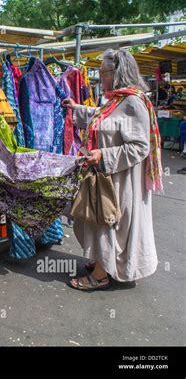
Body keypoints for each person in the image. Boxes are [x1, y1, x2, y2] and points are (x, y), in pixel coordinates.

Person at [62, 48, 162, 291]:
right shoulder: (118, 101)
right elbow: (102, 117)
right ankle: (104, 263)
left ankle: (100, 275)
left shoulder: (133, 102)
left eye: (103, 72)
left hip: (120, 178)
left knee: (108, 222)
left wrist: (102, 155)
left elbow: (139, 147)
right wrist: (76, 108)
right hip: (109, 174)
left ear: (116, 73)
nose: (100, 77)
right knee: (102, 220)